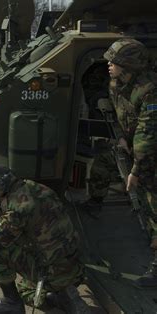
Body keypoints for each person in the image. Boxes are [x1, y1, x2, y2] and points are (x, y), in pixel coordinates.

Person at [88, 38, 157, 287]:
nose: (108, 64)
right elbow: (120, 119)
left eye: (113, 61)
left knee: (151, 208)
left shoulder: (150, 90)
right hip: (136, 148)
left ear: (128, 65)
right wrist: (120, 139)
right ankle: (94, 202)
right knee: (104, 163)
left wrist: (136, 172)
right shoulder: (117, 85)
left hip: (150, 154)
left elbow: (148, 135)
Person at [0, 165, 84, 313]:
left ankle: (12, 302)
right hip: (75, 267)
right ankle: (63, 294)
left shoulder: (16, 210)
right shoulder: (40, 188)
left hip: (52, 273)